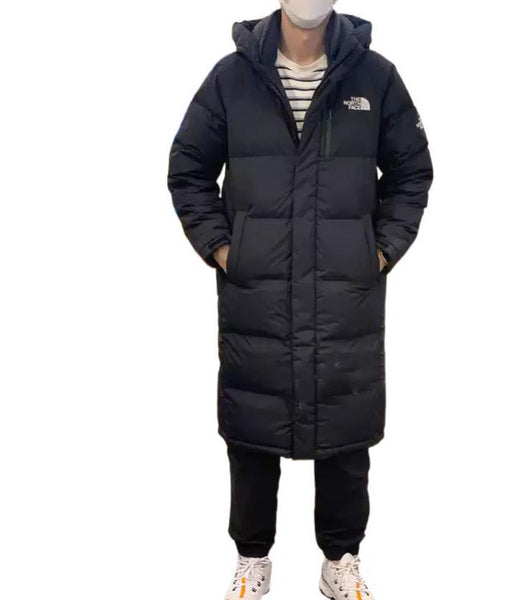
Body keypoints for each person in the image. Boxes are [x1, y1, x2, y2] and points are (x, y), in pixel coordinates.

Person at [167, 0, 433, 598]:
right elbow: (188, 169)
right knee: (251, 426)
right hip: (257, 293)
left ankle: (340, 559)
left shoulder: (376, 78)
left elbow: (412, 172)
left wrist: (379, 251)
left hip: (345, 294)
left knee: (345, 427)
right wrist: (224, 249)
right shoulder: (232, 78)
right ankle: (252, 558)